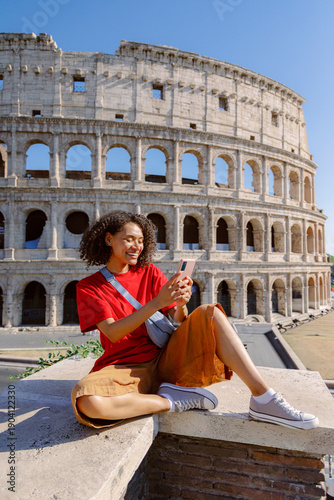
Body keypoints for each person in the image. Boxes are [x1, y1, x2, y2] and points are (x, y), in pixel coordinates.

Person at [71, 210, 319, 431]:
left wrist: (180, 302)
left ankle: (264, 398)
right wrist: (156, 303)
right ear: (108, 239)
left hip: (169, 356)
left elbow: (179, 319)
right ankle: (171, 400)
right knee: (88, 403)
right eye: (128, 239)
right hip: (124, 365)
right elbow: (113, 332)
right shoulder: (89, 287)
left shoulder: (150, 272)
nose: (136, 246)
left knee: (211, 312)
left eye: (140, 241)